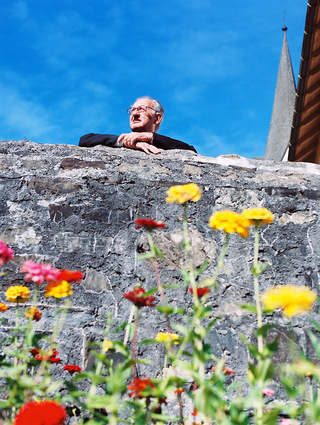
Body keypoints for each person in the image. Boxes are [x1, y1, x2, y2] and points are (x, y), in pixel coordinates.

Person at [79, 96, 197, 155]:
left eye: (141, 109)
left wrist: (151, 137)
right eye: (133, 110)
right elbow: (85, 139)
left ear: (157, 118)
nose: (134, 113)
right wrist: (125, 142)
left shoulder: (165, 145)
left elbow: (191, 151)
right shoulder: (120, 143)